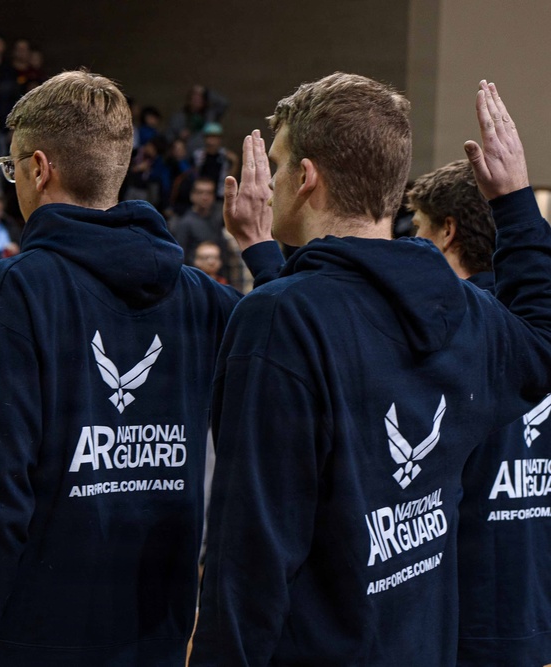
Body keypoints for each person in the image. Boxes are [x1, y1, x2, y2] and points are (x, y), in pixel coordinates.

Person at [189, 78, 551, 665]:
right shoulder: (456, 305)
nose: (272, 181)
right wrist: (513, 203)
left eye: (278, 167)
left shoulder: (279, 316)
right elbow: (541, 343)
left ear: (306, 178)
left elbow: (250, 556)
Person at [0, 69, 240, 666]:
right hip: (158, 625)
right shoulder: (205, 298)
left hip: (33, 634)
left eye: (12, 166)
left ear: (38, 168)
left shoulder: (12, 291)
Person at [405, 159, 551, 665]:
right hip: (533, 606)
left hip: (466, 612)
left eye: (418, 227)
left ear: (447, 231)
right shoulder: (537, 324)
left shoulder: (451, 329)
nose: (413, 241)